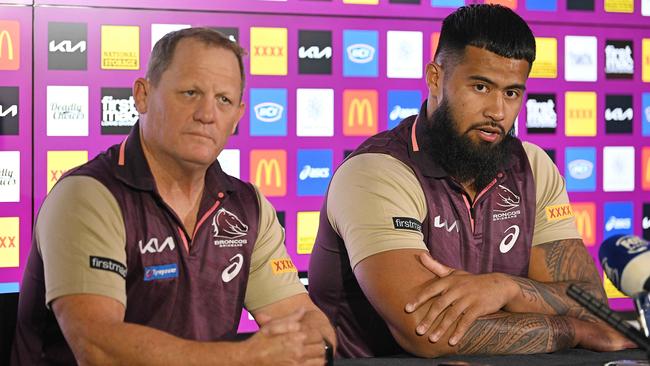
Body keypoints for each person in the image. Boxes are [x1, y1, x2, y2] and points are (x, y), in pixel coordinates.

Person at [308, 4, 634, 358]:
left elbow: (589, 300)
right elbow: (428, 334)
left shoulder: (532, 166)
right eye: (481, 86)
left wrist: (505, 288)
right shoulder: (376, 172)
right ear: (435, 78)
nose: (497, 111)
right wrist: (573, 330)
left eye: (511, 93)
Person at [12, 28, 335, 365]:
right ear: (142, 95)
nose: (207, 114)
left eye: (223, 99)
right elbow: (99, 349)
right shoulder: (88, 196)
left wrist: (311, 347)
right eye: (190, 93)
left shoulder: (247, 205)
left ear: (238, 116)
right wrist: (243, 358)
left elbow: (307, 322)